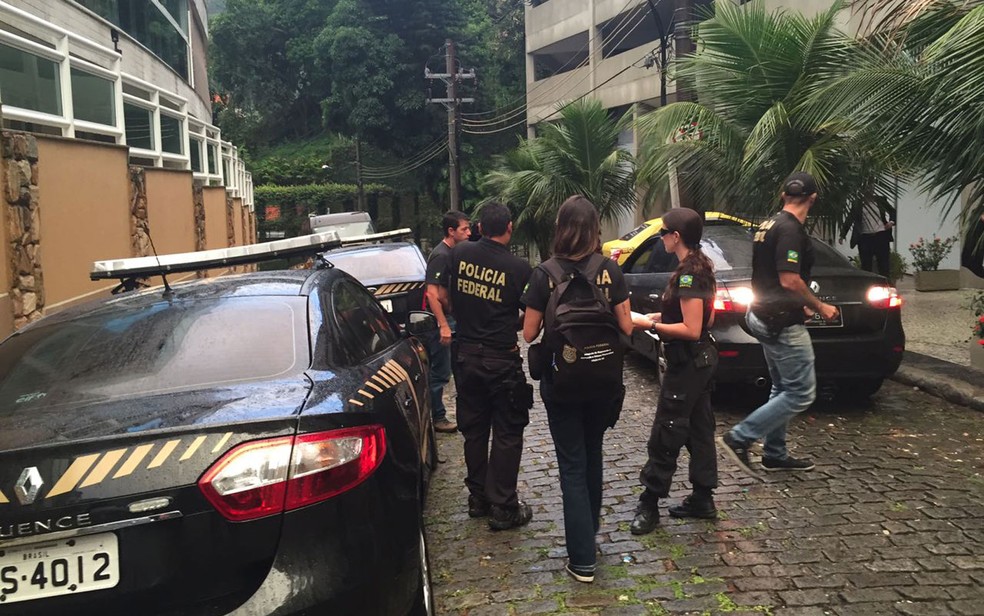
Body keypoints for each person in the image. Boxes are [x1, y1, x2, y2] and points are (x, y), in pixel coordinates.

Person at [521, 196, 634, 583]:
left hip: (563, 382)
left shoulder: (544, 274)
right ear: (594, 228)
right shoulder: (610, 271)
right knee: (593, 454)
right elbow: (628, 328)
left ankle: (582, 560)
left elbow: (529, 332)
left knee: (571, 465)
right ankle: (591, 533)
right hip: (604, 382)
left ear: (561, 227)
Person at [719, 171, 839, 475]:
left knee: (782, 386)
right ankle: (740, 437)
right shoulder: (790, 230)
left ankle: (774, 453)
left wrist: (802, 305)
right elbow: (789, 280)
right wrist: (820, 306)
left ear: (784, 195)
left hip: (762, 313)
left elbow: (771, 277)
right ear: (813, 199)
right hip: (781, 322)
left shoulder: (768, 224)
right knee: (801, 392)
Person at [442, 201, 535, 530]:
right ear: (509, 227)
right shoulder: (520, 268)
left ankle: (478, 496)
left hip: (466, 355)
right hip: (500, 358)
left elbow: (446, 293)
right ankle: (503, 506)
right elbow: (528, 315)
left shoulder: (458, 254)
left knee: (475, 429)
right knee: (508, 431)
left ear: (479, 227)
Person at [629, 207, 721, 536]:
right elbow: (705, 319)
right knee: (699, 428)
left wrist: (645, 324)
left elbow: (693, 328)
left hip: (688, 363)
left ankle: (650, 501)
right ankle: (702, 496)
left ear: (676, 236)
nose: (661, 238)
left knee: (667, 428)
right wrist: (656, 318)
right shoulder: (700, 265)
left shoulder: (688, 273)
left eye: (663, 232)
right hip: (701, 362)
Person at [424, 210, 472, 433]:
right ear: (451, 231)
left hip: (452, 318)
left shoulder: (455, 253)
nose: (469, 233)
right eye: (464, 229)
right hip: (441, 322)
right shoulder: (441, 255)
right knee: (440, 372)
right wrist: (443, 324)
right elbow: (433, 294)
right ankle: (437, 417)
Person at [845, 194, 896, 278]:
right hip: (865, 238)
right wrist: (843, 235)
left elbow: (892, 211)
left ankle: (886, 286)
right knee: (866, 265)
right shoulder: (858, 203)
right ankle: (867, 286)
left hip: (881, 235)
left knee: (884, 265)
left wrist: (891, 222)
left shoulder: (880, 200)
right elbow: (850, 218)